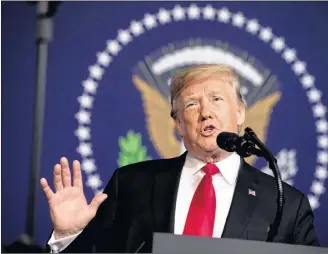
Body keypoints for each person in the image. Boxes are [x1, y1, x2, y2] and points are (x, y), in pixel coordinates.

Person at [41, 64, 319, 253]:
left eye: (216, 100)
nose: (205, 112)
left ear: (240, 114)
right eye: (191, 104)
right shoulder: (130, 184)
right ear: (178, 124)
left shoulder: (287, 204)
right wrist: (69, 237)